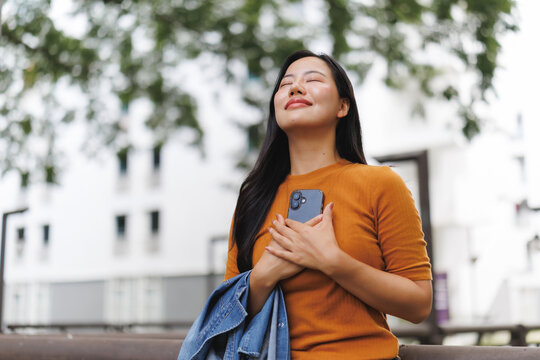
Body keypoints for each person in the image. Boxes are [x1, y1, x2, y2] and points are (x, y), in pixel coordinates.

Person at [225, 50, 433, 360]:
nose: (295, 88)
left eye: (313, 80)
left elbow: (418, 304)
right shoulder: (254, 196)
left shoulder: (381, 183)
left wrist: (332, 261)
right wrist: (264, 275)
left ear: (343, 106)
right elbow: (226, 314)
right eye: (285, 84)